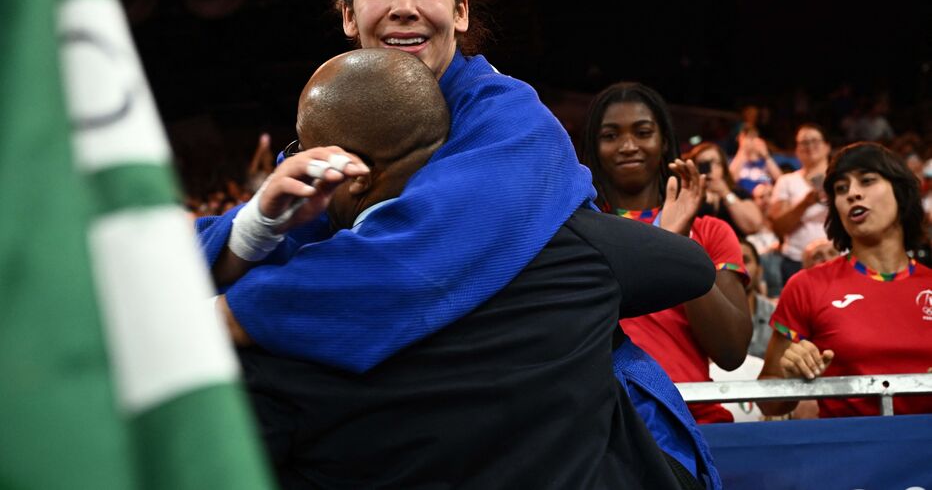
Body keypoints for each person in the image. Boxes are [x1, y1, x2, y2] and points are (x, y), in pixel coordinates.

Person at [225, 48, 717, 488]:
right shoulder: (566, 246)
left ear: (352, 175)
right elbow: (690, 269)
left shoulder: (281, 321)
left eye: (303, 152)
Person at [198, 0, 596, 370]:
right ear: (349, 16)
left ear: (460, 11)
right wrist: (255, 227)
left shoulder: (516, 122)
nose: (404, 8)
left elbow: (406, 268)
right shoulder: (347, 115)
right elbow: (264, 247)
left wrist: (209, 321)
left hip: (570, 395)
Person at [580, 81, 750, 486]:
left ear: (664, 142)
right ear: (593, 148)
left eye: (642, 132)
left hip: (695, 425)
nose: (628, 146)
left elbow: (731, 350)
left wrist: (679, 247)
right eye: (610, 135)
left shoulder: (710, 232)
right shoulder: (578, 232)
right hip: (604, 429)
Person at [758, 143, 932, 418]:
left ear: (900, 192)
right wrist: (791, 378)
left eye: (867, 180)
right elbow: (769, 404)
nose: (852, 193)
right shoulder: (807, 286)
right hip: (849, 444)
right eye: (841, 188)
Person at [768, 123, 832, 289]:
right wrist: (805, 203)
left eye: (815, 141)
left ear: (827, 146)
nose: (809, 146)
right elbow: (778, 227)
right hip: (796, 260)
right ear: (796, 150)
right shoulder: (786, 181)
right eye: (804, 142)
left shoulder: (842, 180)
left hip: (838, 257)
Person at [684, 141, 764, 237]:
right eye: (703, 163)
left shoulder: (738, 193)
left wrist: (726, 193)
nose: (709, 168)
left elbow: (754, 225)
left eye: (714, 162)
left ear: (723, 167)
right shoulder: (688, 196)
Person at [738, 240, 776, 358]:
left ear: (759, 271)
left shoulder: (776, 314)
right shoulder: (705, 316)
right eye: (730, 262)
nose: (739, 268)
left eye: (745, 260)